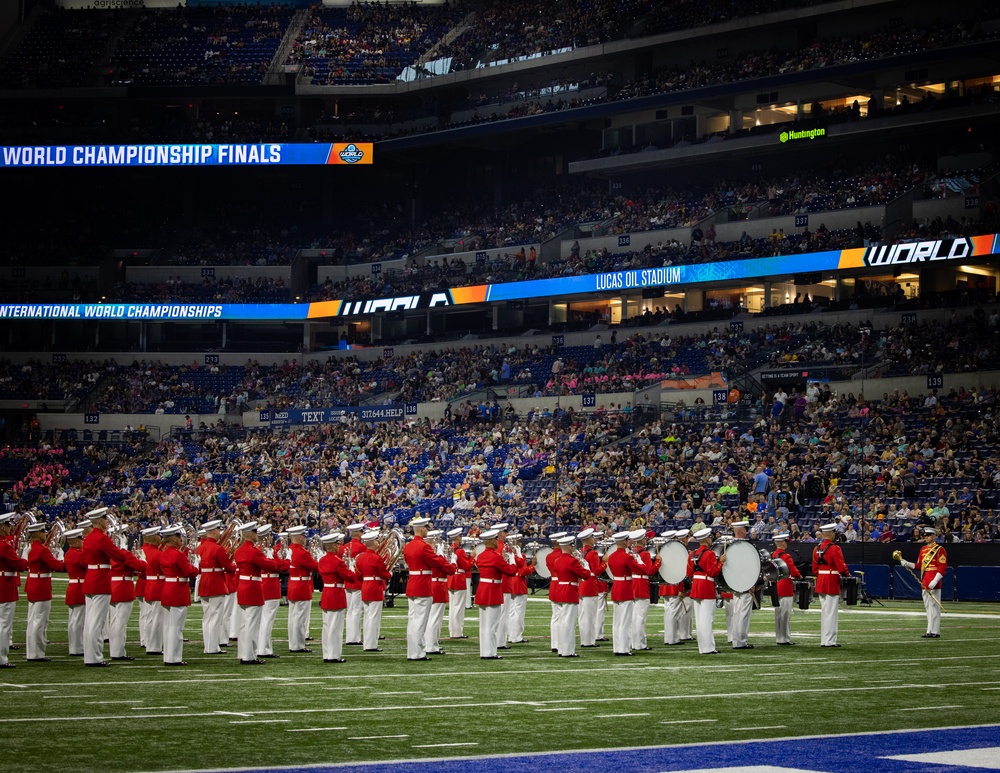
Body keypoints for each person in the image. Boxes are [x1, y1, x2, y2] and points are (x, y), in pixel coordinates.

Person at [81, 508, 146, 667]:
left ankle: (90, 655)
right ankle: (94, 657)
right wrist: (128, 555)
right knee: (97, 622)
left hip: (90, 578)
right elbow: (117, 555)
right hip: (100, 580)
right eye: (104, 519)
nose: (107, 522)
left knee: (90, 621)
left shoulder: (88, 538)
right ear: (98, 521)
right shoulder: (101, 538)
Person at [403, 517, 455, 661]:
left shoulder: (408, 546)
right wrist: (451, 567)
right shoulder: (423, 546)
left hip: (412, 583)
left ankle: (412, 651)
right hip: (422, 585)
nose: (427, 530)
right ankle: (417, 653)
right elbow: (437, 562)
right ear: (422, 529)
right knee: (420, 622)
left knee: (413, 620)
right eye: (426, 528)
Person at [233, 521, 280, 665]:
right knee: (252, 624)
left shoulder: (239, 550)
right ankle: (249, 655)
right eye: (255, 533)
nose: (257, 536)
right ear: (251, 534)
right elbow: (271, 566)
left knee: (243, 624)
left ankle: (243, 653)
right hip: (253, 587)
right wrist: (271, 556)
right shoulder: (254, 551)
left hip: (242, 586)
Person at [158, 524, 200, 666]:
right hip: (178, 590)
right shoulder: (178, 554)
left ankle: (168, 656)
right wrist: (196, 564)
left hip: (168, 588)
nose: (180, 539)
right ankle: (174, 658)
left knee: (169, 626)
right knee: (176, 627)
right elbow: (190, 572)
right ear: (174, 539)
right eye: (178, 536)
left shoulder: (164, 553)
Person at [894, 527, 947, 638]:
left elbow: (942, 568)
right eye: (925, 536)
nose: (926, 537)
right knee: (928, 606)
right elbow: (919, 566)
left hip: (934, 580)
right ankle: (930, 630)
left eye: (928, 535)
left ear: (933, 536)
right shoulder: (923, 549)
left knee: (934, 606)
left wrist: (935, 580)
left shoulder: (939, 549)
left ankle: (934, 631)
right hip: (925, 580)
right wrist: (906, 563)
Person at [474, 529, 518, 659]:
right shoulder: (495, 557)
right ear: (492, 541)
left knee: (484, 624)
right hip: (492, 590)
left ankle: (484, 651)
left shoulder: (481, 556)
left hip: (482, 589)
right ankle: (490, 652)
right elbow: (511, 571)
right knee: (492, 624)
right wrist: (512, 560)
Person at [25, 522, 65, 662]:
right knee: (40, 621)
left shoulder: (31, 548)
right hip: (41, 587)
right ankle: (37, 653)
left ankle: (31, 652)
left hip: (32, 585)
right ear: (38, 534)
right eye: (43, 532)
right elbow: (58, 566)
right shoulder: (42, 550)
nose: (45, 534)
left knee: (32, 621)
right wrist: (60, 557)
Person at [196, 519, 237, 656]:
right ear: (214, 531)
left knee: (207, 617)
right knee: (215, 617)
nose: (220, 532)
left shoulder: (200, 547)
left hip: (204, 582)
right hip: (215, 583)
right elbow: (228, 567)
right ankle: (212, 647)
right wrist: (234, 565)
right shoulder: (218, 548)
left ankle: (208, 645)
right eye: (218, 530)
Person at [318, 532, 358, 663]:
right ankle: (334, 655)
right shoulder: (337, 561)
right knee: (335, 627)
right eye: (338, 544)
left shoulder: (322, 560)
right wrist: (351, 567)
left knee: (327, 626)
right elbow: (350, 578)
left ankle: (327, 653)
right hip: (336, 593)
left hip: (326, 592)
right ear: (334, 546)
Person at [550, 535, 592, 657]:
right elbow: (586, 575)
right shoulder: (572, 561)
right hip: (569, 590)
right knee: (569, 622)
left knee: (563, 621)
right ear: (568, 546)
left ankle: (562, 649)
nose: (574, 547)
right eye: (572, 545)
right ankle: (567, 650)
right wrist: (584, 564)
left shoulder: (557, 560)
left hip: (560, 589)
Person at [607, 530, 647, 656]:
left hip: (616, 587)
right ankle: (624, 648)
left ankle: (617, 647)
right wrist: (639, 560)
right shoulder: (627, 557)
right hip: (625, 588)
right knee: (625, 621)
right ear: (624, 541)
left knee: (617, 621)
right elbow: (642, 570)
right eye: (628, 540)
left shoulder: (612, 556)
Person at [687, 527, 726, 655]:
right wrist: (720, 562)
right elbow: (713, 572)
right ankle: (708, 647)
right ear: (707, 539)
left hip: (696, 586)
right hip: (706, 586)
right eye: (710, 537)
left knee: (699, 619)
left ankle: (702, 647)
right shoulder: (709, 554)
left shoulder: (692, 554)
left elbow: (689, 573)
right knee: (707, 619)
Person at [812, 522, 851, 647]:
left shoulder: (817, 548)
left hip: (821, 580)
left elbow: (814, 568)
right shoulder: (835, 548)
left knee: (825, 611)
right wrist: (846, 574)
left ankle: (825, 639)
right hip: (831, 580)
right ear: (831, 533)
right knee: (831, 612)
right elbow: (841, 566)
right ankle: (829, 641)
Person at [255, 525, 290, 659]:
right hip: (270, 585)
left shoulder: (258, 549)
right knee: (267, 620)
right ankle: (264, 649)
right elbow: (281, 566)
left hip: (262, 584)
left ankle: (262, 647)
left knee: (261, 620)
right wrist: (287, 559)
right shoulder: (268, 550)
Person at [0, 514, 30, 667]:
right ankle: (1, 657)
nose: (10, 528)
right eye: (7, 525)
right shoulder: (4, 546)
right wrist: (25, 557)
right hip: (5, 586)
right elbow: (18, 565)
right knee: (4, 624)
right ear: (2, 528)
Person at [354, 529, 391, 652]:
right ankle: (371, 644)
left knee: (367, 617)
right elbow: (385, 575)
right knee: (373, 617)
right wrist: (389, 572)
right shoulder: (377, 558)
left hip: (365, 586)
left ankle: (367, 643)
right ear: (373, 543)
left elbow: (358, 575)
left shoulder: (360, 558)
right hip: (375, 587)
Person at [107, 523, 139, 661]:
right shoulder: (123, 553)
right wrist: (141, 558)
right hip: (123, 587)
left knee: (114, 621)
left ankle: (114, 649)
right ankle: (118, 651)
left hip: (111, 586)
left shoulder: (109, 554)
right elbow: (141, 566)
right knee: (120, 622)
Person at [285, 524, 318, 653]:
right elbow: (316, 567)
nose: (305, 539)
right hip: (302, 586)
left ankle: (294, 643)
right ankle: (298, 645)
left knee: (293, 617)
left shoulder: (289, 550)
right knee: (300, 618)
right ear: (299, 538)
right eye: (303, 536)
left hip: (293, 584)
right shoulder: (302, 552)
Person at [630, 529, 661, 651]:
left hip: (632, 583)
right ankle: (639, 643)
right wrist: (658, 562)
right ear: (642, 540)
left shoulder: (631, 553)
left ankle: (635, 642)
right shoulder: (645, 554)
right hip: (641, 584)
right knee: (640, 617)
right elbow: (649, 571)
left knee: (634, 616)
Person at [771, 532, 802, 645]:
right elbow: (793, 570)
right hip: (785, 586)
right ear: (783, 543)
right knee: (785, 614)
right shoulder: (785, 556)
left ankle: (779, 637)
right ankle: (784, 638)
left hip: (775, 585)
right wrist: (799, 575)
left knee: (778, 614)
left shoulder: (772, 555)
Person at [727, 520, 754, 650]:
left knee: (737, 612)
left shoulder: (729, 545)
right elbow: (749, 567)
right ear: (743, 531)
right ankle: (741, 641)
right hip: (745, 583)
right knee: (743, 613)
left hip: (734, 583)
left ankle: (736, 639)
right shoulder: (744, 546)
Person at [505, 532, 534, 644]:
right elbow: (523, 571)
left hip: (510, 584)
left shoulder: (506, 553)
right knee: (519, 612)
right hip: (519, 584)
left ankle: (510, 634)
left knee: (511, 611)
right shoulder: (518, 555)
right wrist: (533, 566)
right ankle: (516, 636)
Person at [341, 523, 367, 646]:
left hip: (347, 581)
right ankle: (354, 638)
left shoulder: (344, 546)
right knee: (356, 610)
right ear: (358, 533)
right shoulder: (362, 547)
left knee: (350, 610)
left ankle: (349, 637)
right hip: (357, 581)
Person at [424, 530, 449, 655]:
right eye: (434, 541)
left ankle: (432, 643)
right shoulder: (433, 555)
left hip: (433, 583)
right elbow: (448, 569)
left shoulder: (427, 554)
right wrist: (450, 560)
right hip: (438, 585)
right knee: (435, 618)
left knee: (431, 617)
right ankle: (431, 645)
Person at [62, 527, 86, 656]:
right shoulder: (78, 553)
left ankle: (74, 646)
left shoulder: (69, 553)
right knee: (79, 620)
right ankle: (77, 647)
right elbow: (89, 564)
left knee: (74, 620)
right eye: (81, 539)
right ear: (76, 541)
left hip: (73, 587)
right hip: (79, 588)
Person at [578, 528, 604, 648]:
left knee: (583, 615)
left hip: (582, 585)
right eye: (592, 537)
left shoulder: (580, 552)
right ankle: (589, 641)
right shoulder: (592, 553)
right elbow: (597, 570)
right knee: (590, 616)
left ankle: (584, 639)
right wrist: (605, 563)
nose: (594, 539)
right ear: (589, 539)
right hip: (590, 585)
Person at [140, 526, 164, 656]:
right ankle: (154, 646)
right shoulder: (158, 554)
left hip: (149, 584)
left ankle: (149, 642)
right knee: (157, 618)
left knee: (149, 617)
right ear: (154, 537)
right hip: (158, 585)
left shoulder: (143, 551)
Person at [657, 531, 684, 645]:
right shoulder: (677, 553)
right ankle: (673, 638)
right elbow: (680, 572)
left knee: (668, 613)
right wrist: (681, 589)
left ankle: (668, 638)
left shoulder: (661, 552)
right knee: (673, 614)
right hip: (674, 587)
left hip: (664, 587)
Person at [446, 528, 472, 639]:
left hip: (451, 578)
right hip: (459, 579)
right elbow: (467, 567)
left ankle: (452, 631)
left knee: (452, 607)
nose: (461, 538)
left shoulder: (449, 549)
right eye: (460, 536)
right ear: (457, 537)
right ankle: (457, 632)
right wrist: (473, 558)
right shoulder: (460, 551)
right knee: (459, 608)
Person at [545, 530, 567, 652]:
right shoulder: (562, 556)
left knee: (555, 616)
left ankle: (555, 643)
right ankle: (562, 643)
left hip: (553, 585)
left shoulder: (549, 556)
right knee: (564, 616)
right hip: (563, 585)